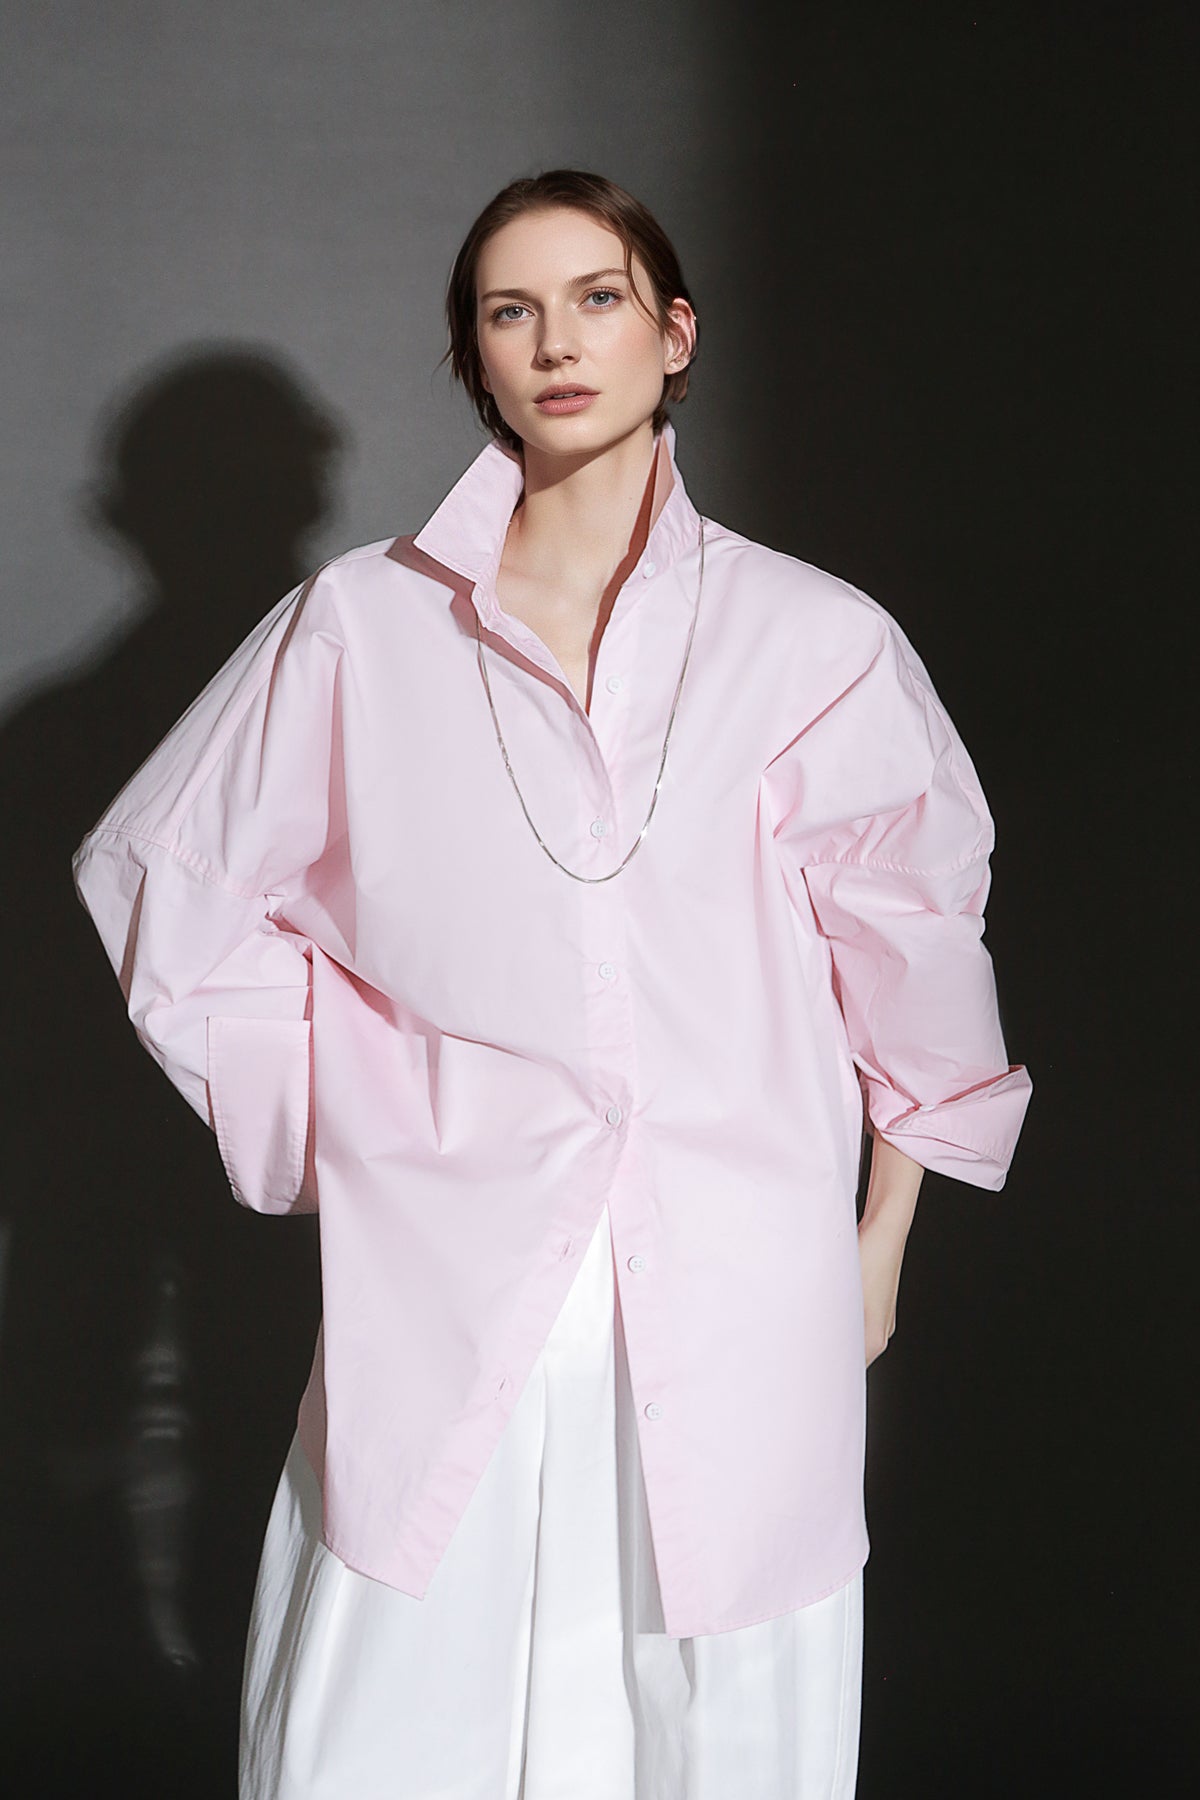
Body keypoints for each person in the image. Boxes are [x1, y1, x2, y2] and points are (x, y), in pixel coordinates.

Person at [72, 168, 1033, 1798]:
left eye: (598, 299)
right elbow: (169, 884)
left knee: (710, 1716)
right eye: (510, 311)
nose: (556, 343)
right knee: (393, 1715)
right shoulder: (361, 628)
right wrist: (352, 1121)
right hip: (448, 1275)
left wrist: (877, 1245)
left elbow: (913, 946)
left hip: (738, 1273)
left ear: (676, 334)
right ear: (477, 358)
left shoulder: (813, 640)